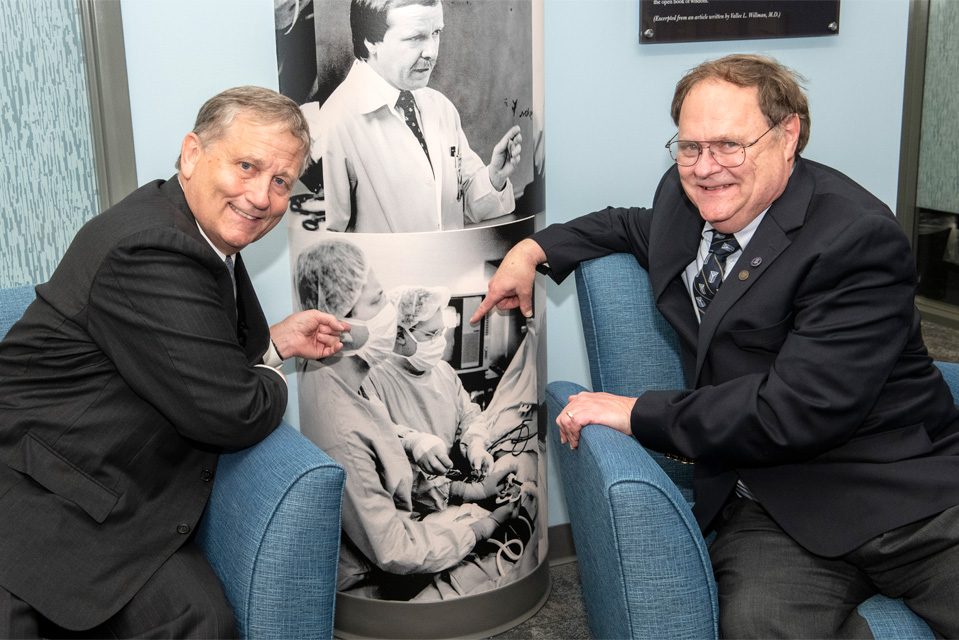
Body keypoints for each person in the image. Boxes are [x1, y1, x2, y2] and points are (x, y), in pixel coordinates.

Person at [472, 54, 959, 637]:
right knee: (755, 627)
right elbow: (630, 225)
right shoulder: (691, 198)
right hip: (769, 501)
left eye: (730, 145)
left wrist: (635, 411)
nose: (706, 168)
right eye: (689, 147)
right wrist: (536, 250)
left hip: (896, 496)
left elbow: (795, 411)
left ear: (788, 136)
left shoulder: (856, 239)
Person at [0, 86, 349, 639]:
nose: (261, 196)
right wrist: (266, 374)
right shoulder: (154, 248)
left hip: (123, 493)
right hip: (42, 496)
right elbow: (231, 413)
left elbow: (195, 358)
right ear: (192, 154)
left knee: (201, 622)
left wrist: (273, 345)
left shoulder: (196, 230)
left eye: (280, 182)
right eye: (246, 166)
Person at [294, 239, 523, 599]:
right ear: (337, 323)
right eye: (375, 301)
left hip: (408, 526)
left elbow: (460, 415)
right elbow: (395, 548)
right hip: (369, 577)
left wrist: (473, 446)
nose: (389, 311)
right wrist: (482, 526)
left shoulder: (344, 376)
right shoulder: (346, 418)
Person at [301, 0, 523, 233]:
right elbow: (328, 246)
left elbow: (460, 206)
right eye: (415, 38)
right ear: (371, 40)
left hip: (451, 263)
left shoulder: (440, 107)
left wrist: (494, 178)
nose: (431, 52)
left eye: (436, 33)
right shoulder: (334, 122)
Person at [363, 285, 495, 515]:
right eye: (430, 335)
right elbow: (377, 438)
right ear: (400, 334)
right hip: (409, 510)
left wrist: (475, 445)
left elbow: (469, 414)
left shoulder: (443, 371)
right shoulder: (372, 378)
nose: (439, 342)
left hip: (449, 494)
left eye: (440, 332)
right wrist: (414, 442)